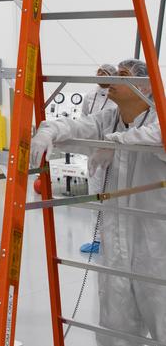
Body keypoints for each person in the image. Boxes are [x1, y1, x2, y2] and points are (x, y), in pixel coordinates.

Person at [31, 58, 165, 346]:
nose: (114, 82)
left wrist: (111, 145)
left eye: (126, 76)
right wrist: (47, 132)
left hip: (158, 252)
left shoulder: (158, 119)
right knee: (116, 335)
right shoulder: (108, 118)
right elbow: (75, 127)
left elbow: (156, 139)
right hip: (115, 251)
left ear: (146, 86)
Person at [77, 64, 117, 254]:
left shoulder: (117, 97)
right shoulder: (90, 97)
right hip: (93, 152)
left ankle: (112, 239)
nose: (101, 77)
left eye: (105, 74)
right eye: (99, 73)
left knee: (111, 197)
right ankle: (97, 239)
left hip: (113, 152)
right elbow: (84, 120)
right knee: (95, 197)